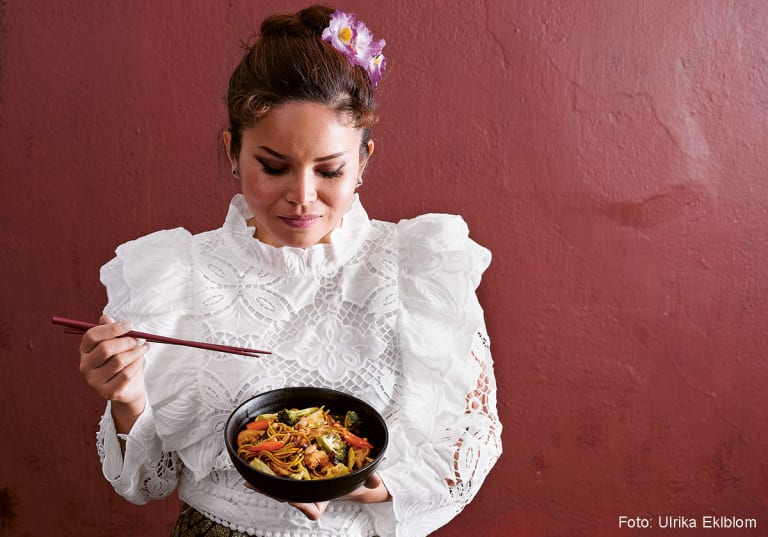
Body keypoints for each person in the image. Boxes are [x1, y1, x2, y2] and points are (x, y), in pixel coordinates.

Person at [78, 5, 502, 536]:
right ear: (233, 152)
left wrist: (375, 486)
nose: (302, 198)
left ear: (364, 161)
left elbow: (473, 438)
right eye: (273, 166)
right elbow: (146, 484)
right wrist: (126, 398)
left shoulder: (416, 265)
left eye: (330, 170)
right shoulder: (174, 275)